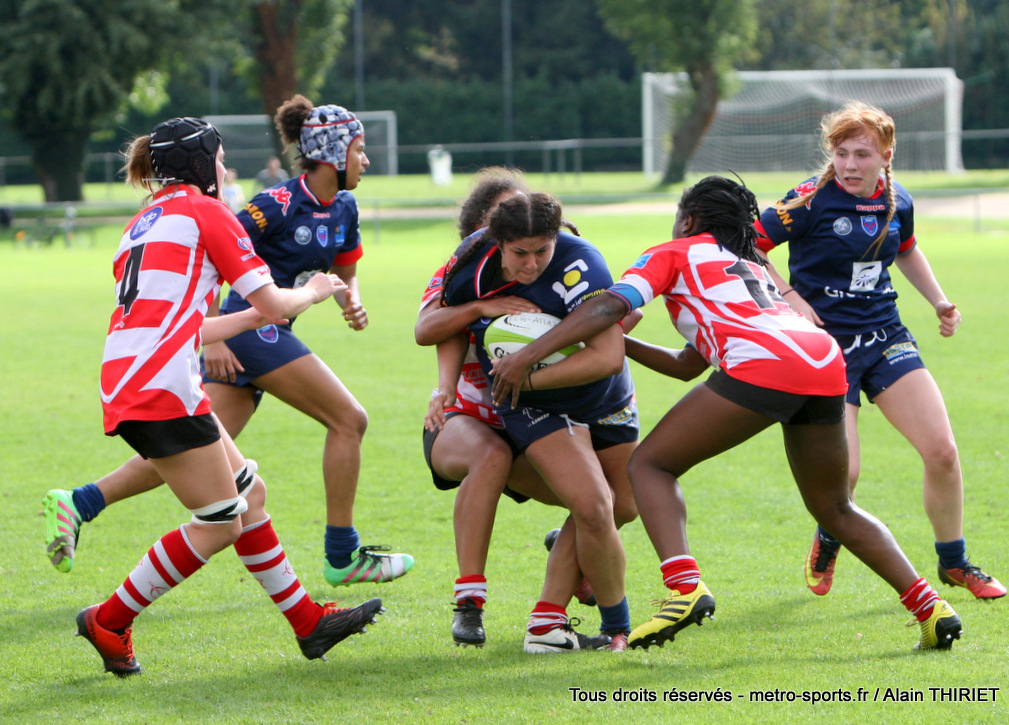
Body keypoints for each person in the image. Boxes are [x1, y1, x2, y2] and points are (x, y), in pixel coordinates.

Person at [490, 176, 963, 652]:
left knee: (649, 466)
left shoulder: (672, 253)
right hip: (824, 360)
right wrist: (613, 343)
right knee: (836, 507)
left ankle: (684, 588)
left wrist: (529, 355)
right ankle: (931, 609)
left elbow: (608, 305)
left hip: (769, 362)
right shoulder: (746, 263)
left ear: (688, 220)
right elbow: (685, 365)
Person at [43, 95, 413, 588]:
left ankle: (80, 502)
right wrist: (214, 338)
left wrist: (351, 301)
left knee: (194, 451)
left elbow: (345, 270)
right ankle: (342, 554)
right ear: (332, 151)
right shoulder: (273, 204)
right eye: (360, 150)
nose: (366, 160)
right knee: (350, 419)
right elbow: (210, 259)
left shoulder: (345, 206)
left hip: (254, 330)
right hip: (252, 328)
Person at [74, 116, 382, 677]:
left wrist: (247, 319)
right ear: (199, 165)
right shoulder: (206, 211)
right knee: (220, 523)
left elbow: (184, 323)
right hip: (162, 384)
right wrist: (315, 290)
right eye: (218, 160)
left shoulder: (143, 222)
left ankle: (308, 623)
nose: (223, 169)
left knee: (250, 495)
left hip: (137, 374)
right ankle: (109, 621)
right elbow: (276, 303)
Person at [754, 101, 1005, 600]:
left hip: (885, 336)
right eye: (842, 153)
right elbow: (750, 245)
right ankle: (831, 534)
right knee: (844, 473)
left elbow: (906, 249)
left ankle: (954, 563)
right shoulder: (808, 199)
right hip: (826, 347)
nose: (849, 165)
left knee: (943, 452)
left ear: (886, 157)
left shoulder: (897, 199)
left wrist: (939, 301)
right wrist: (790, 297)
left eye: (862, 155)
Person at [416, 169, 615, 648]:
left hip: (529, 418)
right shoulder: (461, 274)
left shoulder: (558, 270)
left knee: (602, 503)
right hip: (465, 417)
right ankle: (469, 603)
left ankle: (569, 564)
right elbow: (428, 329)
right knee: (491, 455)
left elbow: (608, 325)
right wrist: (477, 316)